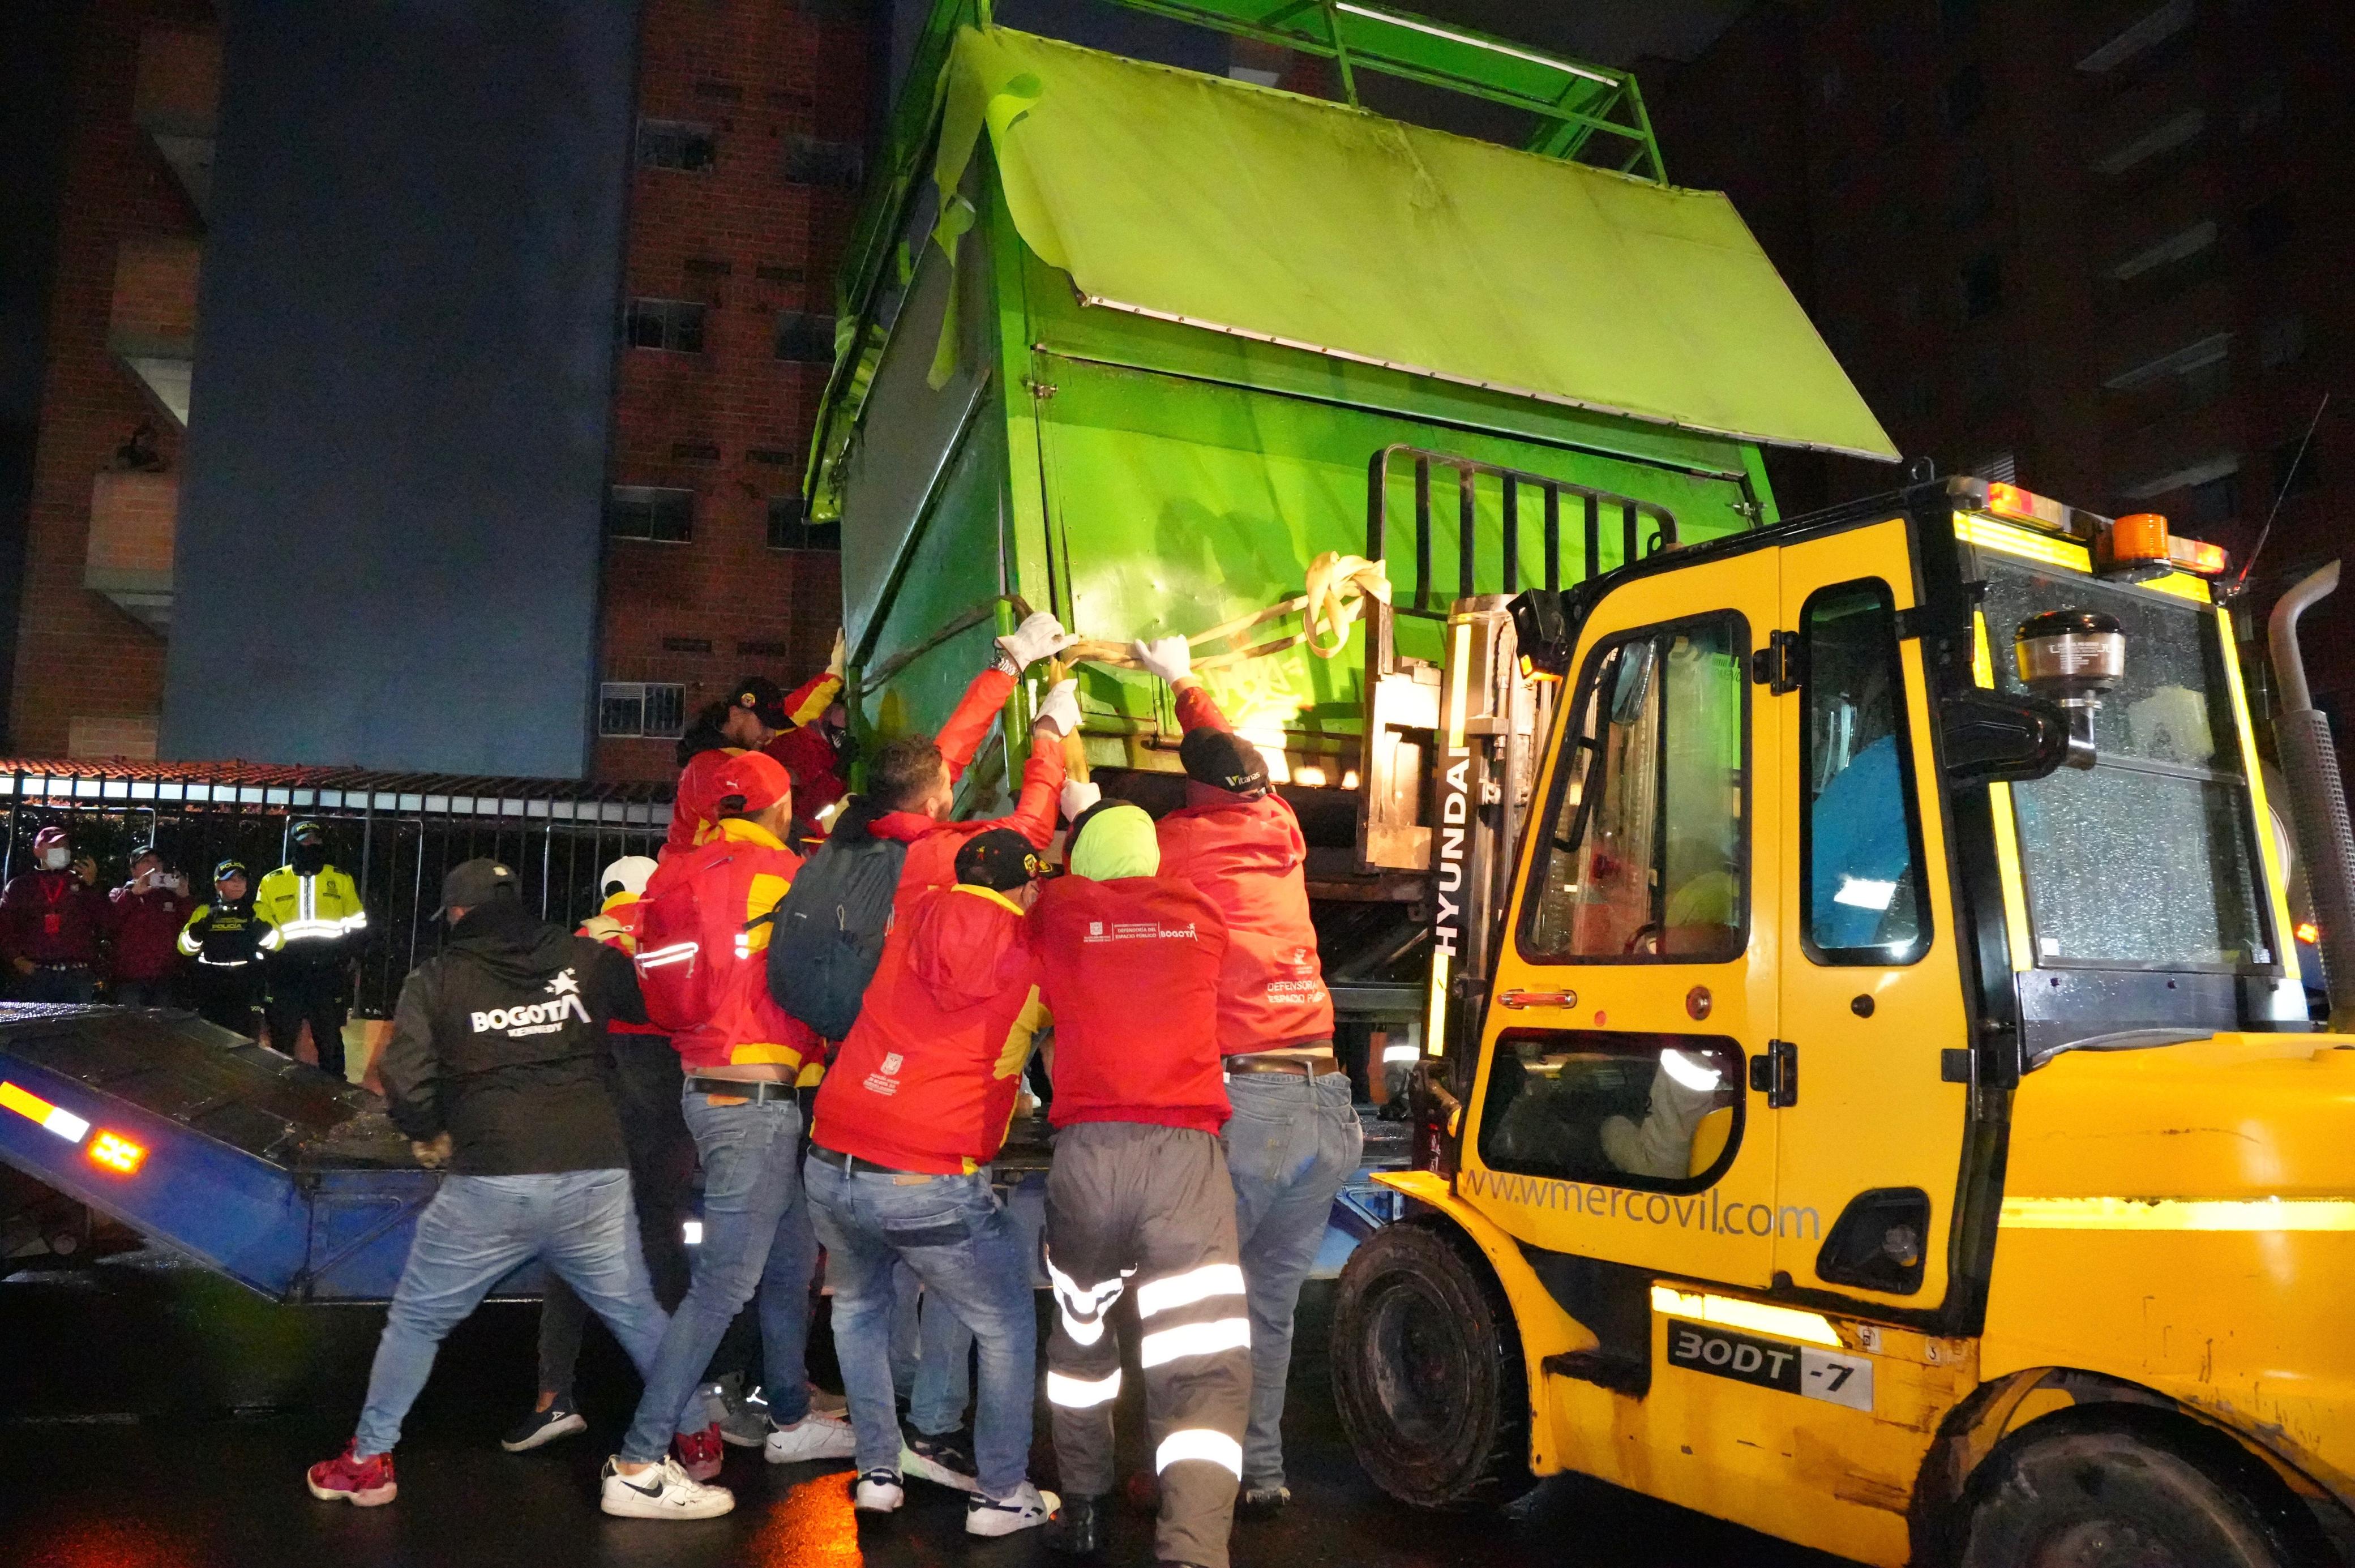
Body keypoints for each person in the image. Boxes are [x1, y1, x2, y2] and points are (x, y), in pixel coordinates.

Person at [305, 860, 721, 1518]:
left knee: (419, 1319)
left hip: (492, 1176)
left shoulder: (437, 978)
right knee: (638, 1311)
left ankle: (368, 1462)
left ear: (458, 914)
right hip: (592, 1167)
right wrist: (627, 950)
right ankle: (697, 1433)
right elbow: (658, 1006)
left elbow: (405, 1079)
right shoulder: (587, 957)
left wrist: (429, 1130)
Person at [1132, 635, 1359, 1513]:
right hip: (1326, 1100)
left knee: (1194, 1303)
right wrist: (1187, 680)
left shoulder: (1179, 843)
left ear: (1192, 798)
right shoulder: (1283, 829)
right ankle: (1260, 1471)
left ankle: (1189, 1475)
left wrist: (1074, 795)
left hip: (1253, 1099)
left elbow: (1110, 870)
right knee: (1268, 1306)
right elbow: (1231, 755)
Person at [613, 749, 855, 1507]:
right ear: (777, 806)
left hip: (713, 1087)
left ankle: (789, 1415)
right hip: (754, 1101)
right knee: (722, 1285)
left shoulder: (675, 873)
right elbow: (825, 978)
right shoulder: (786, 873)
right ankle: (638, 1462)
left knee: (788, 1264)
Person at [803, 828, 1057, 1532]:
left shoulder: (909, 922)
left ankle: (878, 1473)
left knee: (858, 1309)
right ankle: (1000, 1494)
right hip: (929, 1171)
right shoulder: (1035, 958)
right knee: (1004, 1323)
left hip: (832, 1154)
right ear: (1028, 887)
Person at [1031, 801, 1246, 1568]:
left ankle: (1085, 1512)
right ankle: (1191, 1548)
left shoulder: (1061, 911)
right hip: (1184, 1157)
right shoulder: (1201, 915)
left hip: (1088, 1155)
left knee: (1081, 1335)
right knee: (1200, 1361)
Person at [502, 854, 701, 1455]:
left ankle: (554, 1398)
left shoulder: (578, 945)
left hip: (592, 1107)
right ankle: (683, 1408)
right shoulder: (675, 940)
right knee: (663, 1242)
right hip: (665, 1103)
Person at [828, 610, 1076, 906]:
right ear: (931, 807)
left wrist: (1010, 663)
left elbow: (949, 754)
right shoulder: (933, 857)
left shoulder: (868, 828)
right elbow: (1029, 833)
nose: (952, 781)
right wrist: (1048, 737)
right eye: (948, 786)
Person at [256, 820, 367, 1078]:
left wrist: (350, 955)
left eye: (315, 840)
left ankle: (336, 1091)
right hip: (287, 973)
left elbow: (357, 923)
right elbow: (261, 924)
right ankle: (278, 1090)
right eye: (304, 841)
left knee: (330, 1040)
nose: (310, 845)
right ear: (294, 845)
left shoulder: (340, 878)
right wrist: (276, 955)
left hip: (327, 972)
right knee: (282, 1039)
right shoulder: (272, 881)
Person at [1, 826, 108, 1002]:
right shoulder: (20, 886)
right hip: (36, 973)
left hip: (76, 973)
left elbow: (105, 921)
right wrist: (17, 960)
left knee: (76, 1021)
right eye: (55, 846)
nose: (62, 850)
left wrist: (93, 887)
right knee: (38, 1020)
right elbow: (5, 927)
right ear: (37, 850)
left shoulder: (82, 882)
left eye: (65, 846)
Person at [178, 859, 268, 1034]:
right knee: (210, 1037)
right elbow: (184, 948)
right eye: (231, 879)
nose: (238, 884)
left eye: (241, 879)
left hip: (247, 983)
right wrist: (198, 931)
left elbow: (278, 943)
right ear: (218, 884)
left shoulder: (258, 910)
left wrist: (260, 928)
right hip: (212, 984)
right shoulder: (205, 911)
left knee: (246, 1039)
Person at [106, 849, 193, 1006]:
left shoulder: (171, 897)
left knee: (163, 1021)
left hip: (165, 979)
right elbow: (108, 922)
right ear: (133, 870)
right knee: (131, 1020)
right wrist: (133, 894)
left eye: (157, 862)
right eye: (146, 861)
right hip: (129, 980)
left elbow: (191, 926)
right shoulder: (119, 893)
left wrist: (184, 897)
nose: (153, 866)